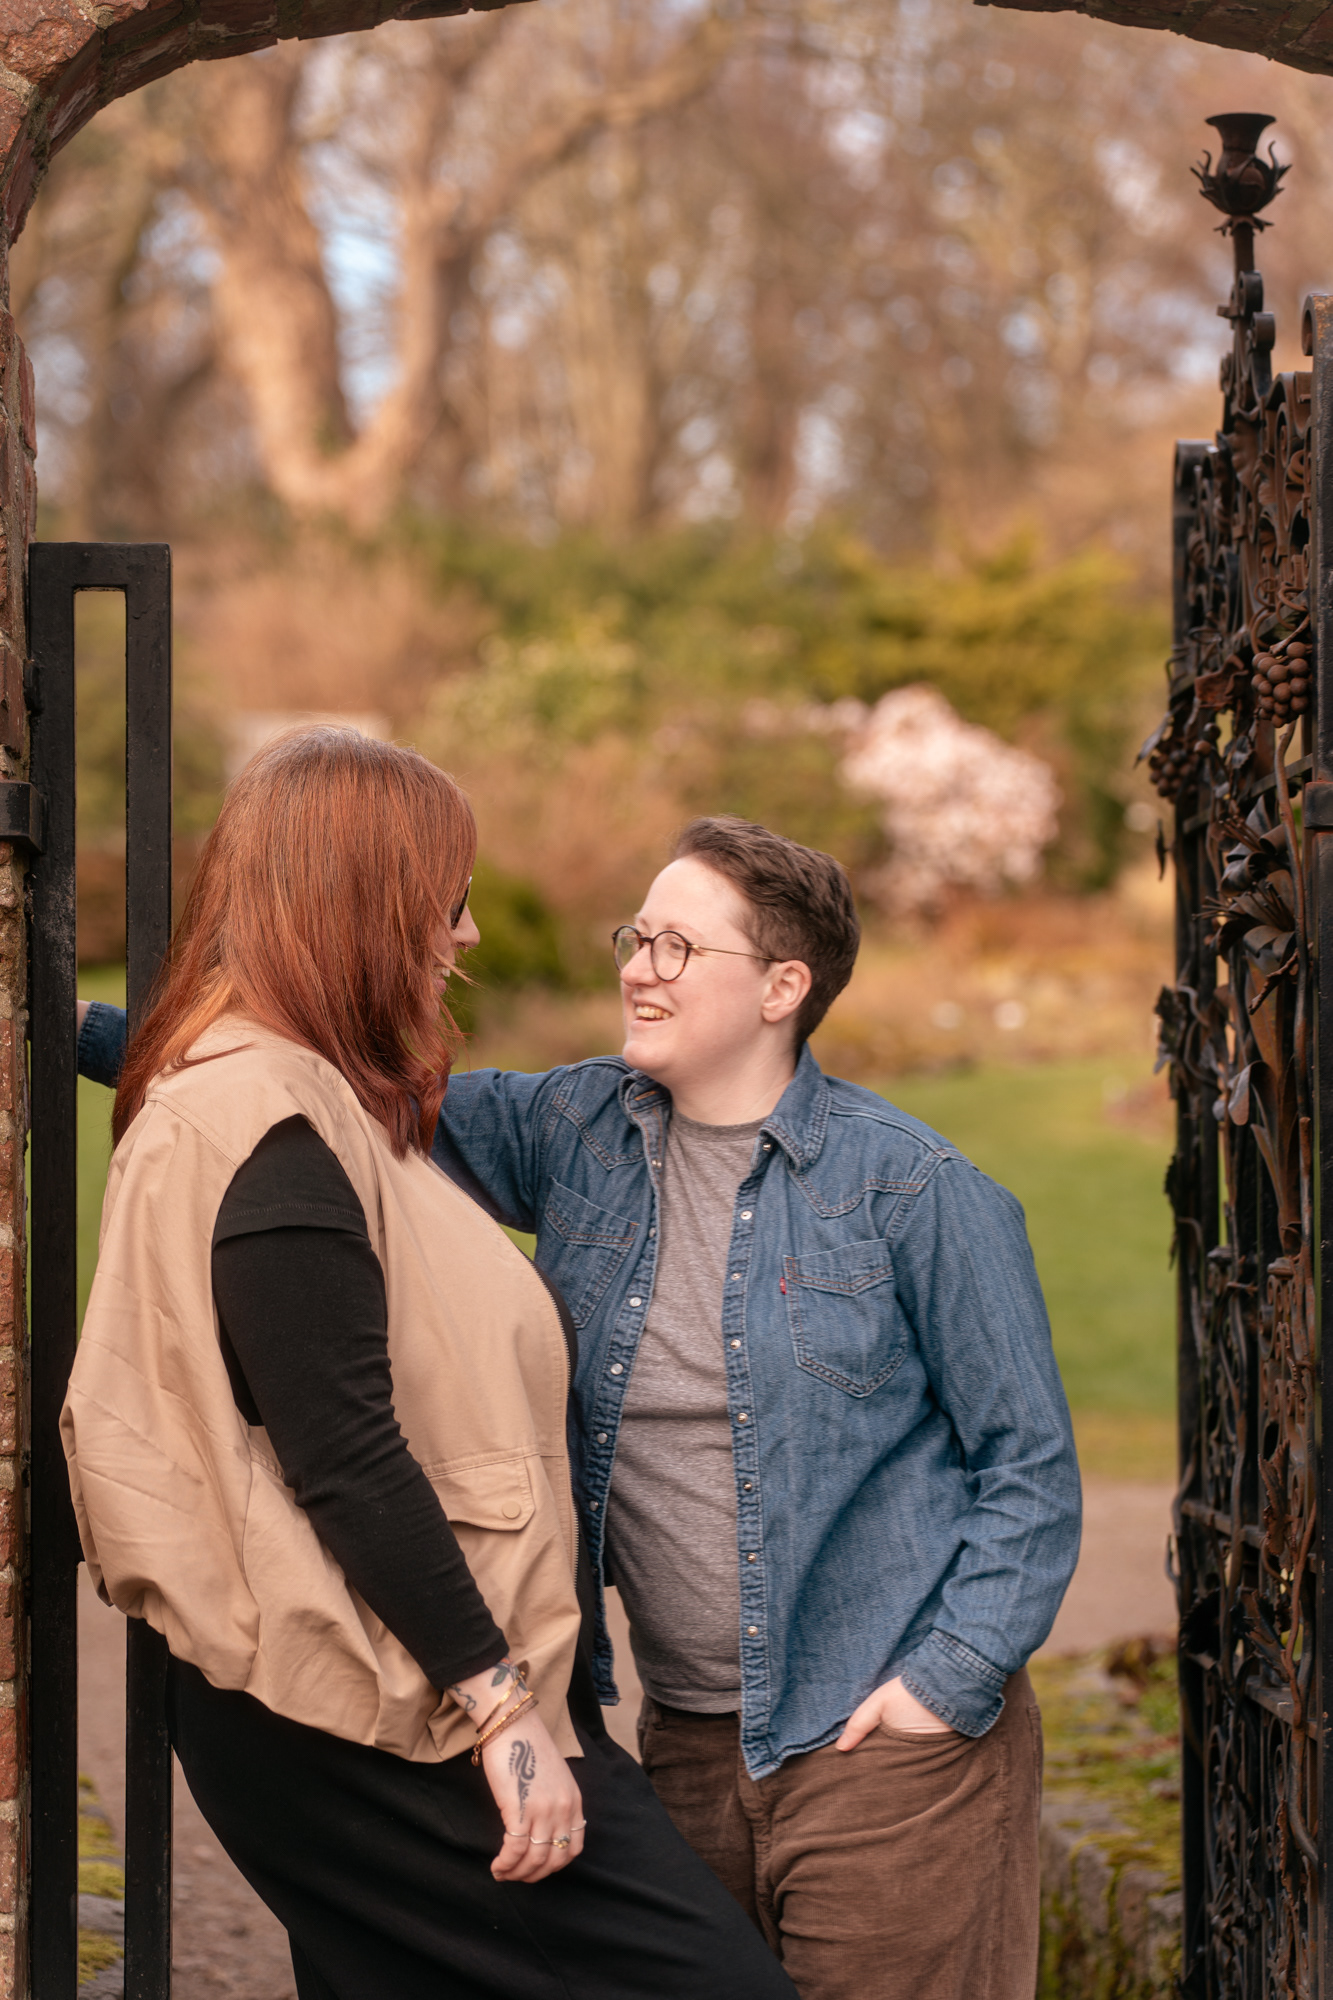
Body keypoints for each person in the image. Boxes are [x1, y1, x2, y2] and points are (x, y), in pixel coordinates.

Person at [79, 807, 1082, 2000]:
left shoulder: (917, 1189)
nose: (636, 968)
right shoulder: (577, 1128)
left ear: (783, 986)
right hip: (690, 1742)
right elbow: (319, 1080)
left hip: (880, 1750)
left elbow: (1027, 1468)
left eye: (675, 947)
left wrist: (942, 1683)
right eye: (634, 935)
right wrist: (71, 1021)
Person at [63, 731, 799, 2000]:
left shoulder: (319, 1097)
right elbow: (344, 1453)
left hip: (409, 1683)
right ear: (367, 906)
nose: (461, 937)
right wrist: (504, 1712)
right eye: (445, 902)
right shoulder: (277, 1128)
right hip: (389, 1708)